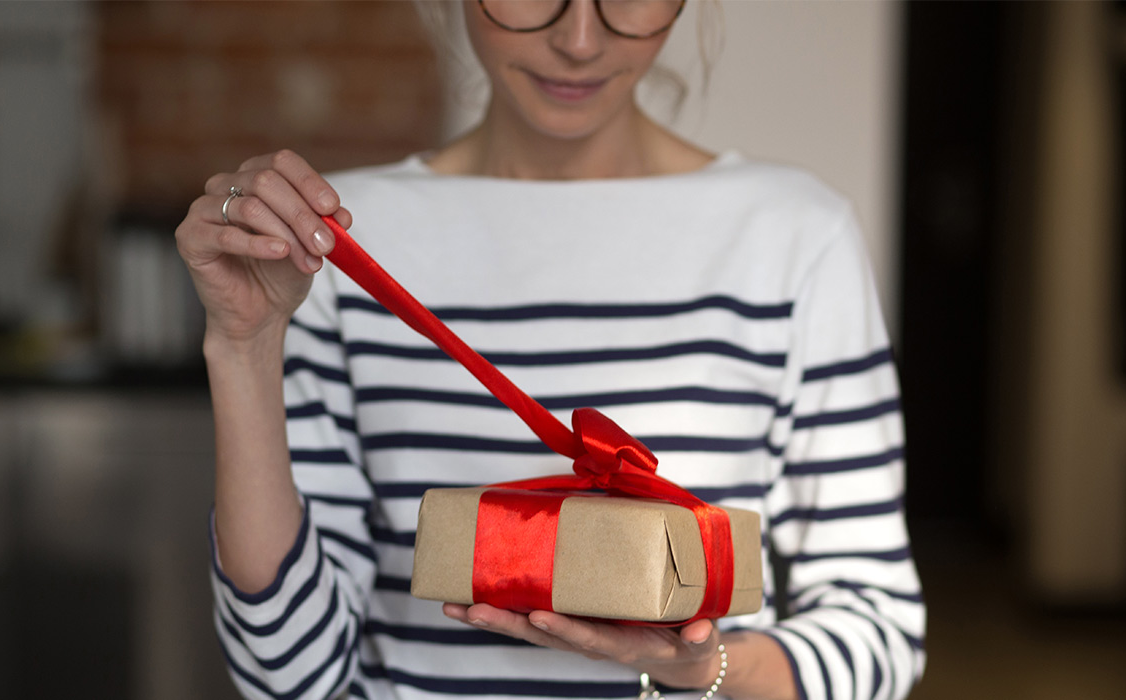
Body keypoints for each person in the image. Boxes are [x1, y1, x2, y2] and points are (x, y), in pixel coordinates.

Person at [175, 1, 926, 698]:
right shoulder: (334, 243)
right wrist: (244, 347)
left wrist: (703, 668)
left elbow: (879, 629)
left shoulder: (796, 236)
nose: (579, 40)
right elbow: (288, 678)